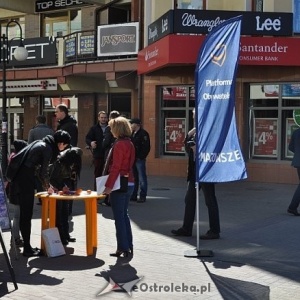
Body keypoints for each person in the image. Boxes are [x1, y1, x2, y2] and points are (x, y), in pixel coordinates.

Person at [11, 130, 71, 257]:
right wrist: (48, 187)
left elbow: (39, 171)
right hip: (24, 181)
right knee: (26, 215)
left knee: (24, 214)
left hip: (20, 179)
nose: (63, 149)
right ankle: (27, 248)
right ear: (60, 144)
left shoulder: (42, 143)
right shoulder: (47, 149)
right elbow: (43, 172)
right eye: (65, 146)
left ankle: (27, 246)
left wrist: (47, 186)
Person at [171, 110, 220, 240]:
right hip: (194, 171)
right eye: (193, 116)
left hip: (205, 171)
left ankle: (215, 230)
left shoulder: (209, 130)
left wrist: (197, 149)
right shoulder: (194, 131)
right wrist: (189, 138)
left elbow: (213, 150)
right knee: (189, 199)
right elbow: (188, 149)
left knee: (210, 200)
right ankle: (186, 228)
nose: (194, 118)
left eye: (195, 116)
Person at [102, 116, 135, 258]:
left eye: (111, 128)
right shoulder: (129, 143)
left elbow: (116, 167)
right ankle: (128, 245)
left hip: (120, 183)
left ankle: (123, 247)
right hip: (130, 182)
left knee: (119, 217)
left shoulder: (120, 144)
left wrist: (108, 186)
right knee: (124, 215)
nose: (110, 130)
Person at [48, 146, 83, 245]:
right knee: (59, 213)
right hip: (58, 191)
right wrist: (62, 187)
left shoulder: (72, 161)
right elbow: (53, 179)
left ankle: (66, 234)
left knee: (65, 212)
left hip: (65, 190)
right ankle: (61, 236)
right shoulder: (59, 163)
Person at [55, 104, 78, 215]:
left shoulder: (69, 126)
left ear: (63, 112)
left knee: (68, 183)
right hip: (63, 158)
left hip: (68, 161)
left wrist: (64, 155)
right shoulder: (63, 124)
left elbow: (71, 144)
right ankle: (64, 208)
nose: (55, 114)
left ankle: (66, 209)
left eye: (57, 111)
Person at [28, 114, 55, 203]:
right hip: (48, 155)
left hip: (36, 157)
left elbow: (30, 145)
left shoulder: (32, 131)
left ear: (37, 121)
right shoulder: (50, 131)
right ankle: (48, 192)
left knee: (38, 177)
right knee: (46, 174)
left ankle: (41, 197)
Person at [8, 140, 28, 247]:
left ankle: (15, 237)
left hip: (13, 191)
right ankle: (15, 238)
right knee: (17, 216)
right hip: (17, 192)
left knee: (17, 216)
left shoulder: (13, 156)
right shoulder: (17, 159)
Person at [85, 111, 108, 190]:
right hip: (98, 155)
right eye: (101, 117)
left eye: (105, 117)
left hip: (108, 155)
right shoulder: (94, 128)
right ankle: (97, 192)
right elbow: (87, 138)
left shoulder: (110, 128)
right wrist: (91, 143)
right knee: (98, 174)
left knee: (107, 175)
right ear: (98, 118)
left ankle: (106, 193)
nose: (103, 119)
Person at [129, 118, 151, 203]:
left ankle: (142, 195)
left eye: (132, 124)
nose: (131, 125)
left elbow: (146, 147)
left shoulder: (143, 134)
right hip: (133, 159)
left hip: (139, 159)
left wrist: (141, 157)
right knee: (134, 178)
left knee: (142, 178)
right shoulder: (132, 133)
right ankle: (133, 195)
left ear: (137, 124)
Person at [287, 127, 300, 216]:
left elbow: (290, 147)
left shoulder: (296, 132)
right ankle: (292, 207)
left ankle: (292, 207)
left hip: (298, 162)